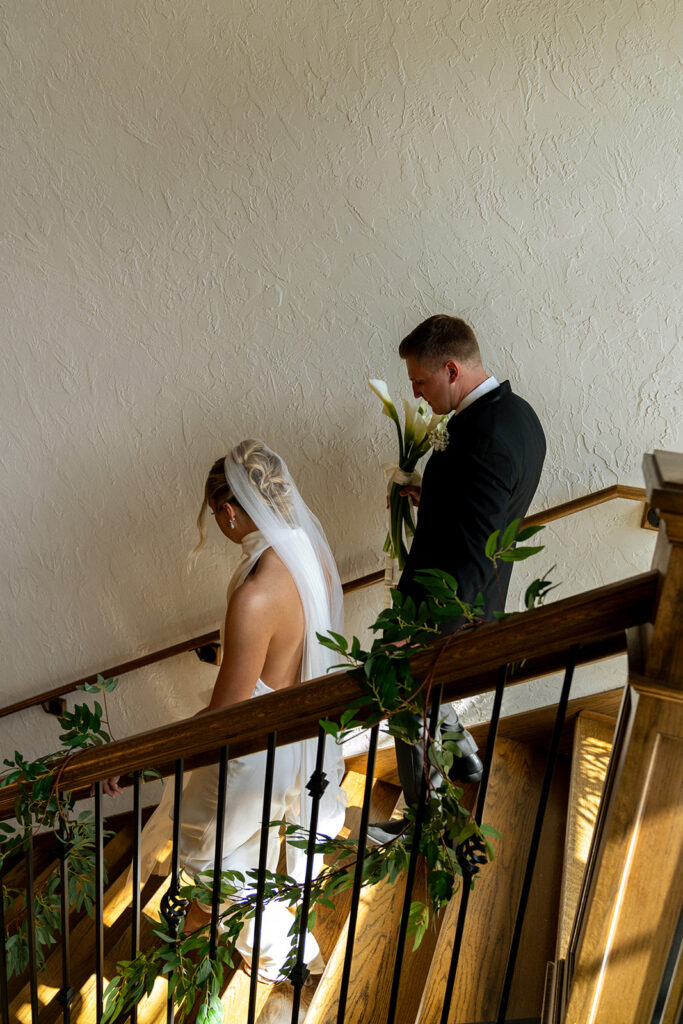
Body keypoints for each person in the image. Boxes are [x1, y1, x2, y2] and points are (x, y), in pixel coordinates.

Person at [105, 440, 347, 980]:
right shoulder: (308, 557)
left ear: (230, 510)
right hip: (297, 731)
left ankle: (277, 955)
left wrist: (142, 756)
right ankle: (273, 946)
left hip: (251, 749)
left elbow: (225, 716)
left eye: (215, 514)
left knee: (213, 859)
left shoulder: (257, 593)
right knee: (254, 852)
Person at [368, 315, 546, 843]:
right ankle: (461, 754)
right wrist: (436, 496)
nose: (418, 397)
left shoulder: (483, 439)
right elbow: (486, 513)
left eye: (420, 383)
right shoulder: (518, 416)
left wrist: (420, 634)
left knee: (398, 683)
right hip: (473, 595)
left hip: (447, 610)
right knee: (420, 694)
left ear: (451, 368)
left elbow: (470, 555)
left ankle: (427, 820)